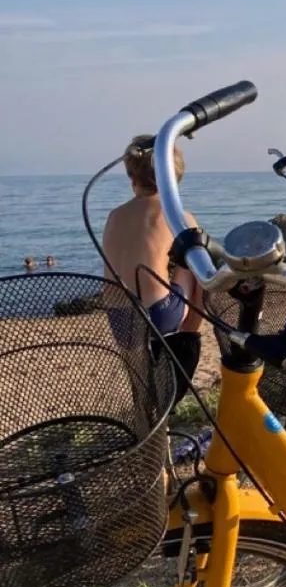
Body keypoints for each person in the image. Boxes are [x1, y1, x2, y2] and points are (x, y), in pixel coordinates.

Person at [102, 137, 203, 404]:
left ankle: (143, 412)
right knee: (196, 266)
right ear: (173, 178)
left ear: (132, 177)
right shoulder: (178, 214)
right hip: (160, 314)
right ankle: (188, 337)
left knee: (141, 384)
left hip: (119, 318)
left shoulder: (114, 215)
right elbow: (201, 264)